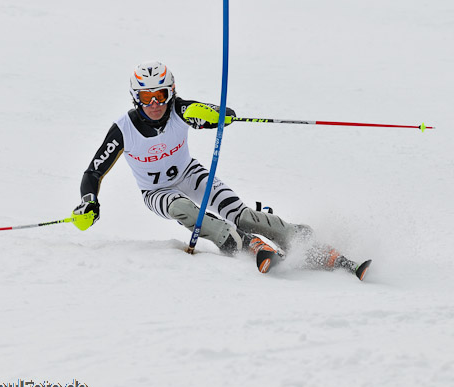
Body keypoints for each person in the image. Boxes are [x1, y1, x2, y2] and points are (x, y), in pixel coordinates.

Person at [73, 61, 370, 280]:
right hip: (156, 191)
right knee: (184, 210)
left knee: (241, 214)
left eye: (161, 96)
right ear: (135, 98)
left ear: (171, 92)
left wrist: (211, 118)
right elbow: (93, 172)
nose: (154, 105)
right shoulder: (123, 129)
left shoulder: (181, 110)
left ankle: (304, 242)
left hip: (190, 173)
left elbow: (227, 115)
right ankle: (237, 241)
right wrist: (89, 200)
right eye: (146, 98)